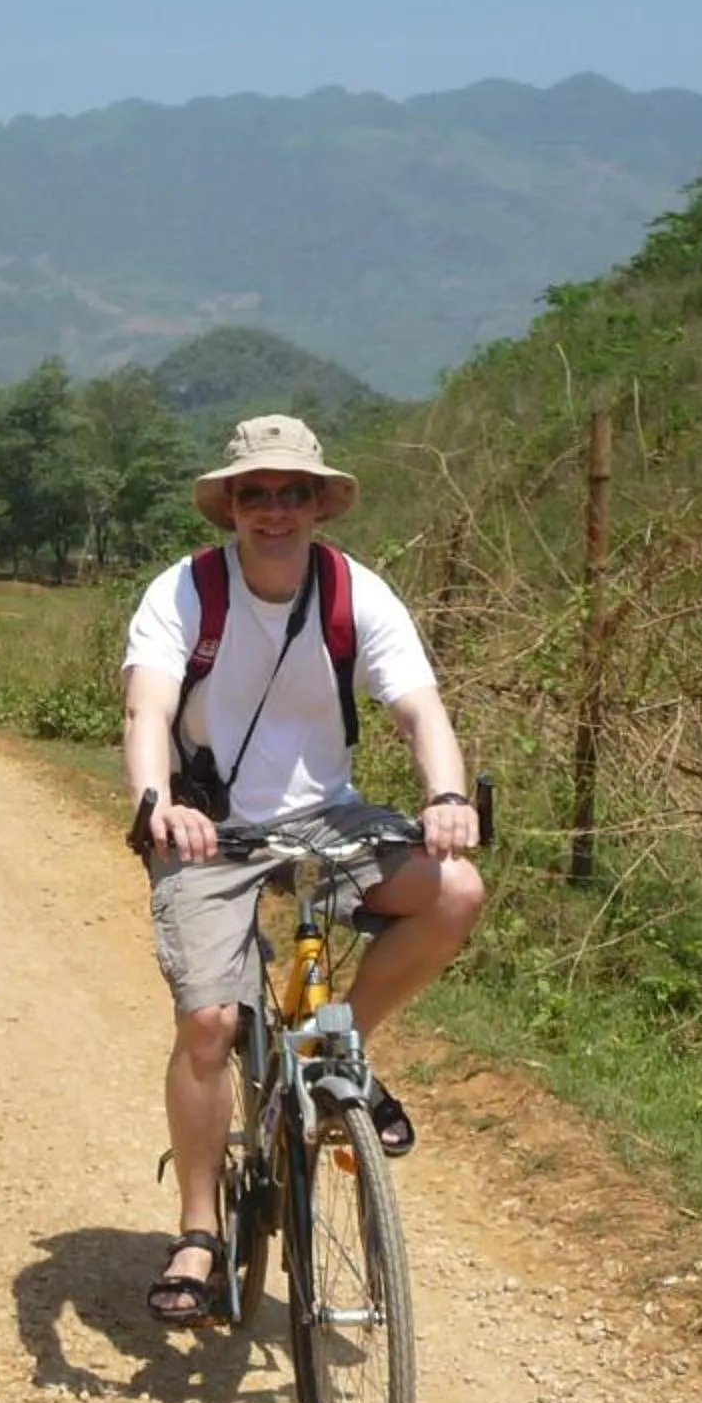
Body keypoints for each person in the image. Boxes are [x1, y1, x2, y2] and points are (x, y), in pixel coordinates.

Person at [119, 413, 483, 1326]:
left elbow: (420, 709)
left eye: (292, 494)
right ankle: (199, 1232)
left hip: (331, 815)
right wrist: (160, 804)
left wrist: (446, 795)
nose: (274, 511)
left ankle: (337, 1042)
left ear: (319, 502)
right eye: (255, 494)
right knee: (209, 1021)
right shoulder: (186, 593)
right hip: (211, 824)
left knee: (456, 892)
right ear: (230, 506)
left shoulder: (353, 592)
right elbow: (148, 710)